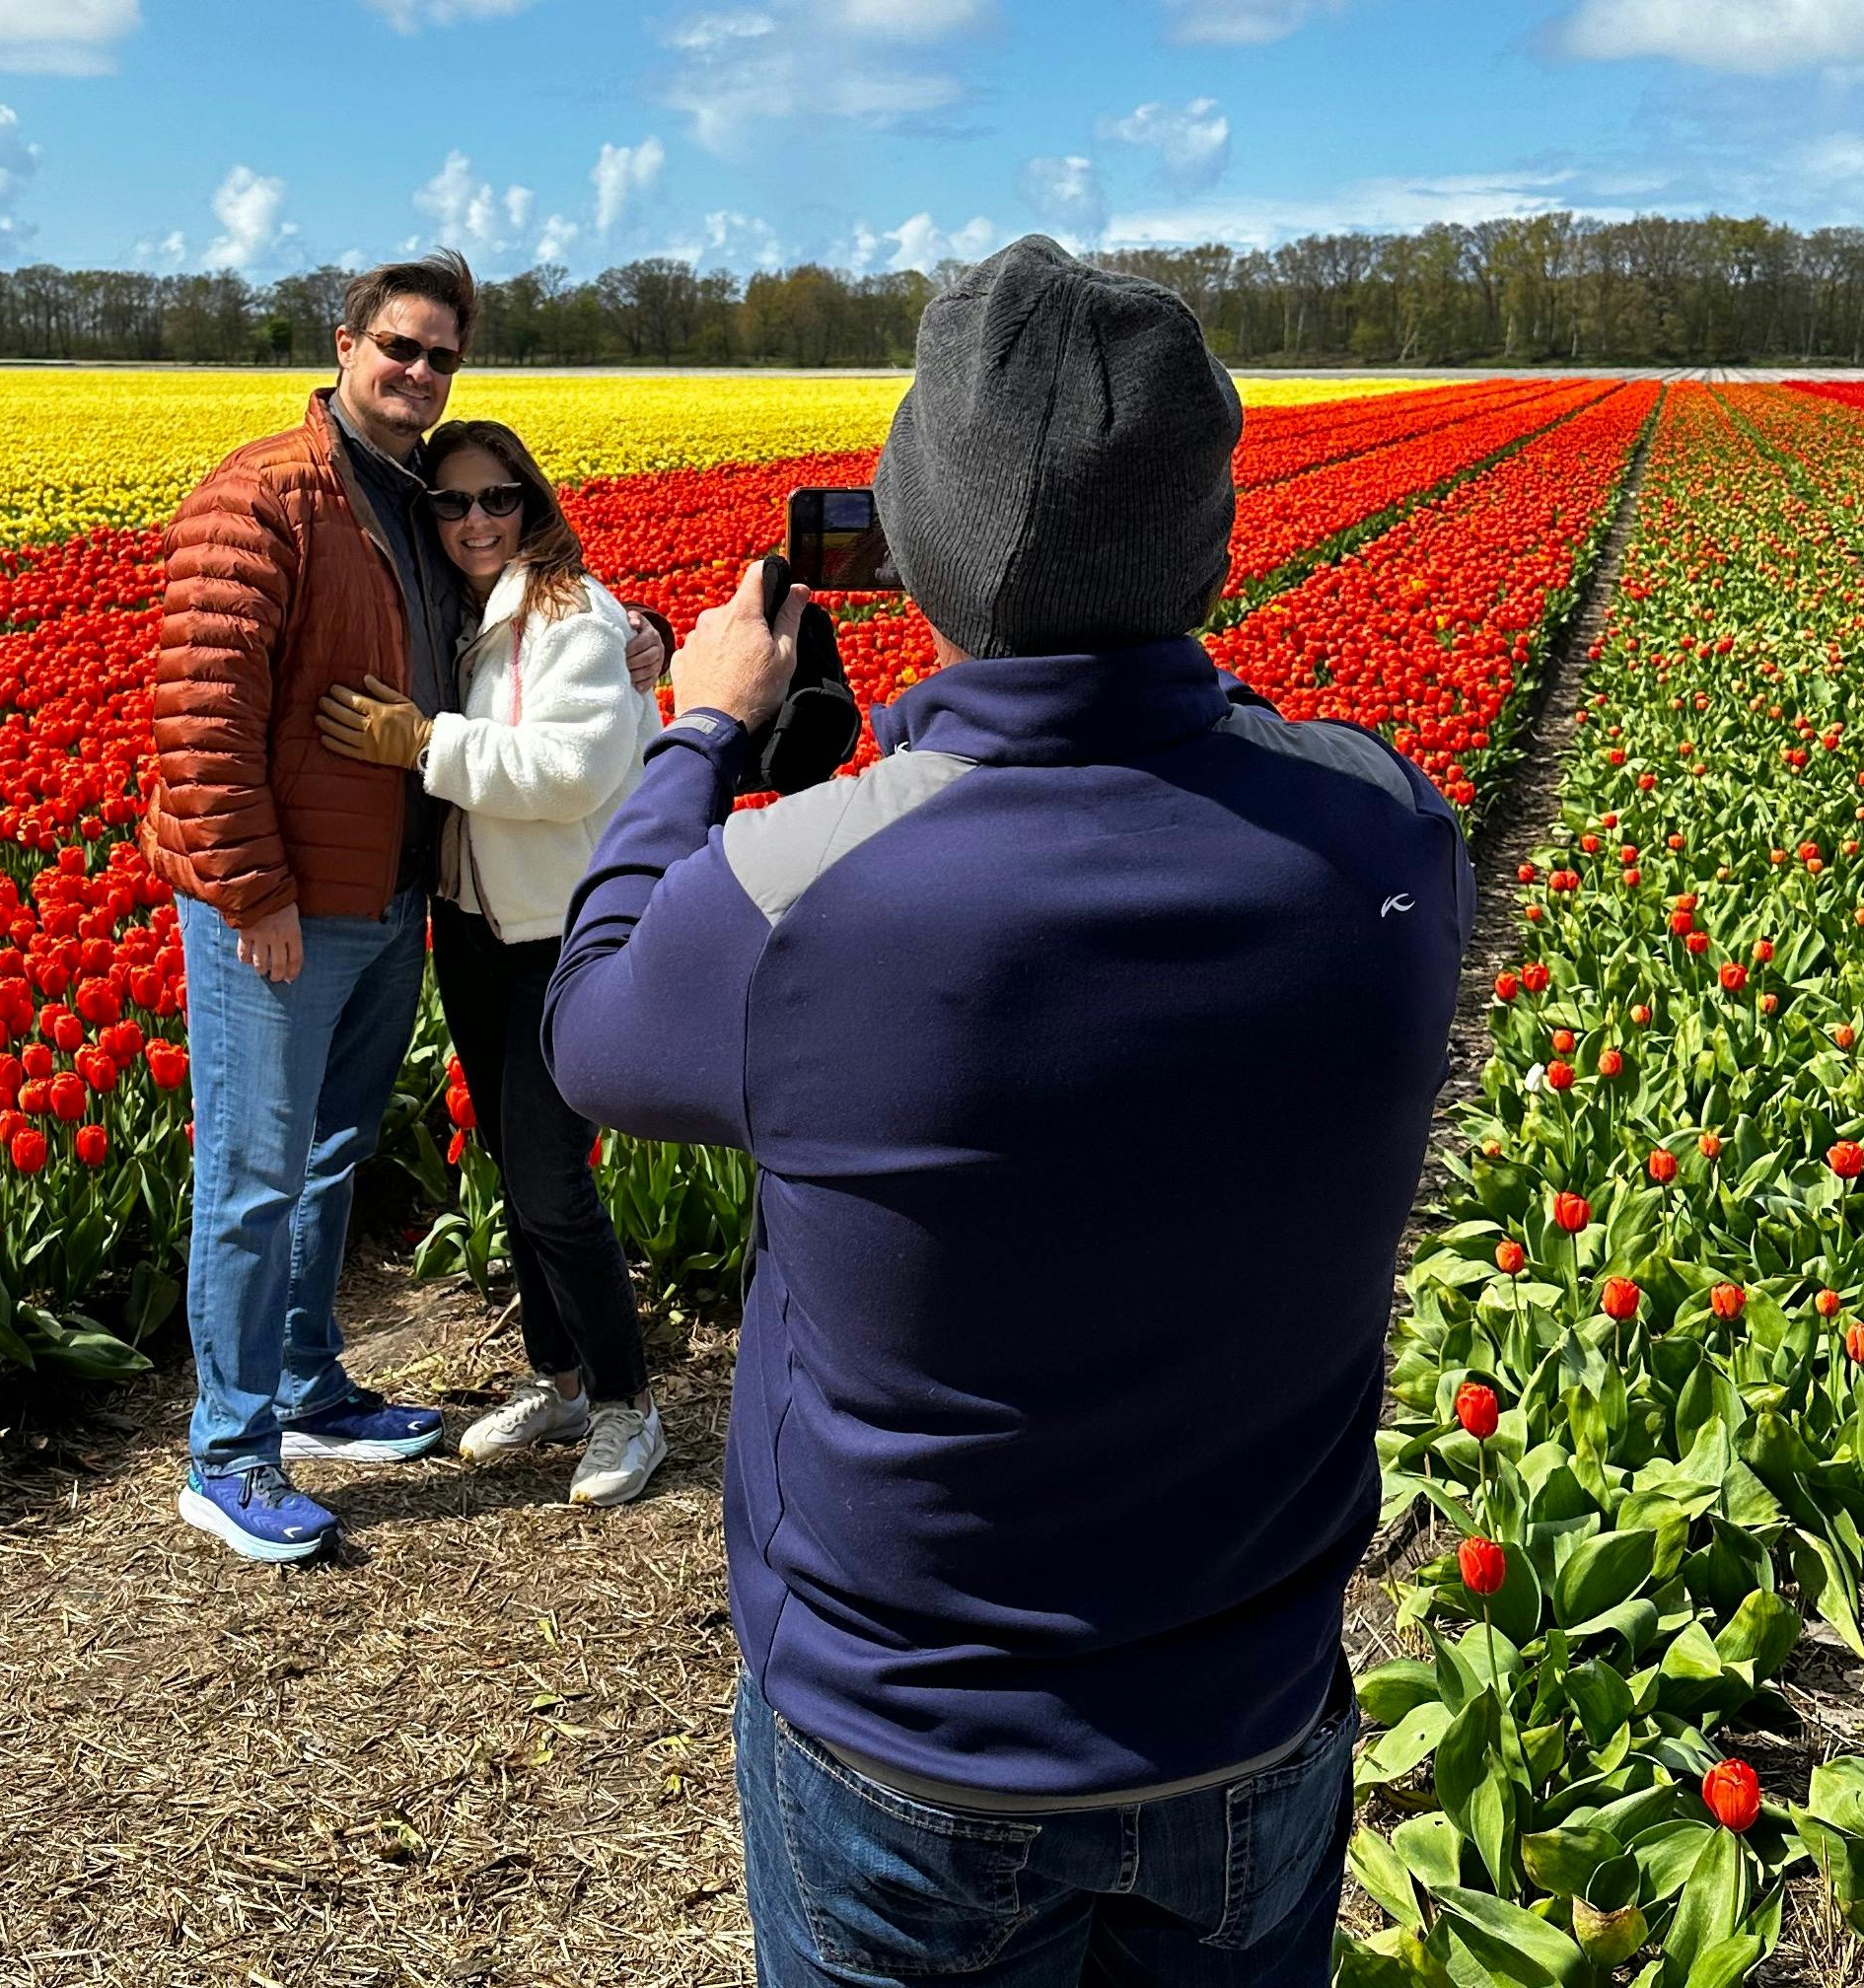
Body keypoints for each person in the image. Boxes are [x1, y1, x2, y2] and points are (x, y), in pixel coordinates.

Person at [542, 236, 1472, 1985]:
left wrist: (700, 735)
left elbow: (592, 1021)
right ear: (1204, 547)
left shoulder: (806, 888)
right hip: (1247, 1714)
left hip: (910, 1746)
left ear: (918, 546)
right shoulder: (1386, 838)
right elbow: (1225, 754)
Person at [138, 250, 667, 1564]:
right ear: (345, 345)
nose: (419, 373)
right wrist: (250, 889)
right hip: (287, 902)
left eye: (441, 355)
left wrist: (634, 625)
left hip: (392, 896)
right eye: (400, 348)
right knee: (256, 1174)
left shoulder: (413, 506)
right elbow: (200, 716)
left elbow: (528, 633)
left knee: (324, 1158)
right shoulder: (267, 494)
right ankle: (229, 1451)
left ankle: (310, 1390)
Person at [310, 419, 668, 1506]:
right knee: (516, 1176)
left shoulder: (574, 618)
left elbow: (567, 770)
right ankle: (559, 1381)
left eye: (496, 499)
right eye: (451, 504)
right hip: (474, 926)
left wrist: (424, 743)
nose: (474, 521)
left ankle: (627, 1405)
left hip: (564, 933)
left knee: (555, 1183)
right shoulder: (467, 620)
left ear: (533, 502)